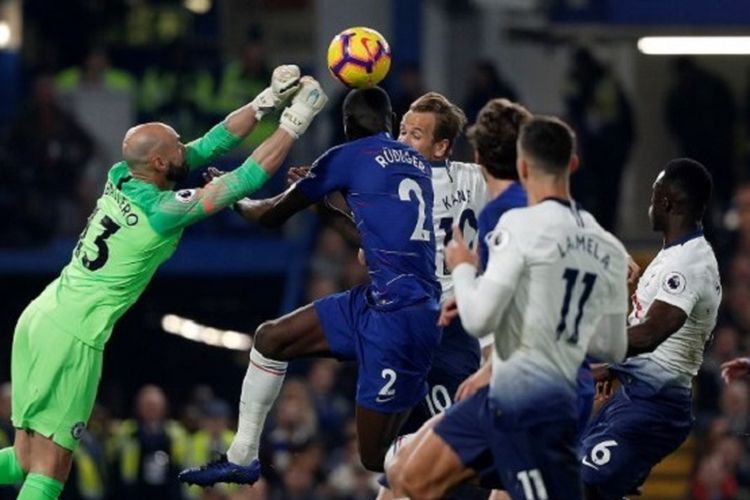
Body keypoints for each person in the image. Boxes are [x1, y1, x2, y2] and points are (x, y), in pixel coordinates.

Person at [0, 65, 327, 500]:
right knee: (50, 465)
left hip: (39, 318)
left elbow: (210, 144)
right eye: (175, 147)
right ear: (158, 162)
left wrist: (265, 101)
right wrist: (294, 121)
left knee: (23, 457)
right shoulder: (162, 212)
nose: (184, 151)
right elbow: (246, 178)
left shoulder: (121, 174)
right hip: (73, 335)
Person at [179, 86, 442, 486]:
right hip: (381, 303)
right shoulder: (416, 165)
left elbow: (268, 216)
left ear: (346, 125)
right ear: (389, 124)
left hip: (399, 322)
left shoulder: (345, 156)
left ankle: (464, 459)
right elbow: (372, 241)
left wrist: (234, 198)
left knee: (373, 458)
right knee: (271, 338)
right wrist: (326, 209)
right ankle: (243, 457)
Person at [387, 116, 629, 499]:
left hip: (532, 404)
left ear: (522, 167)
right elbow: (613, 348)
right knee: (404, 470)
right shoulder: (611, 249)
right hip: (529, 392)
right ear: (574, 165)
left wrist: (463, 269)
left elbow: (479, 316)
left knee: (414, 476)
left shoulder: (518, 224)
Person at [579, 158, 721, 499]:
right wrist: (612, 368)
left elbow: (651, 334)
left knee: (579, 482)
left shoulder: (688, 265)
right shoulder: (674, 254)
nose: (649, 204)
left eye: (654, 195)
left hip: (654, 407)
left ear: (667, 202)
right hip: (634, 395)